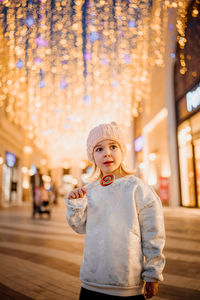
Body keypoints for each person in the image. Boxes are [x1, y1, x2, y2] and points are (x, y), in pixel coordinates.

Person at [66, 122, 165, 300]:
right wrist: (76, 204)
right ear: (92, 156)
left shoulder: (137, 188)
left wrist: (152, 272)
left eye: (113, 146)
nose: (107, 153)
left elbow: (153, 233)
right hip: (91, 281)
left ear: (122, 150)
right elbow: (79, 227)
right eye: (99, 149)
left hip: (126, 284)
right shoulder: (90, 191)